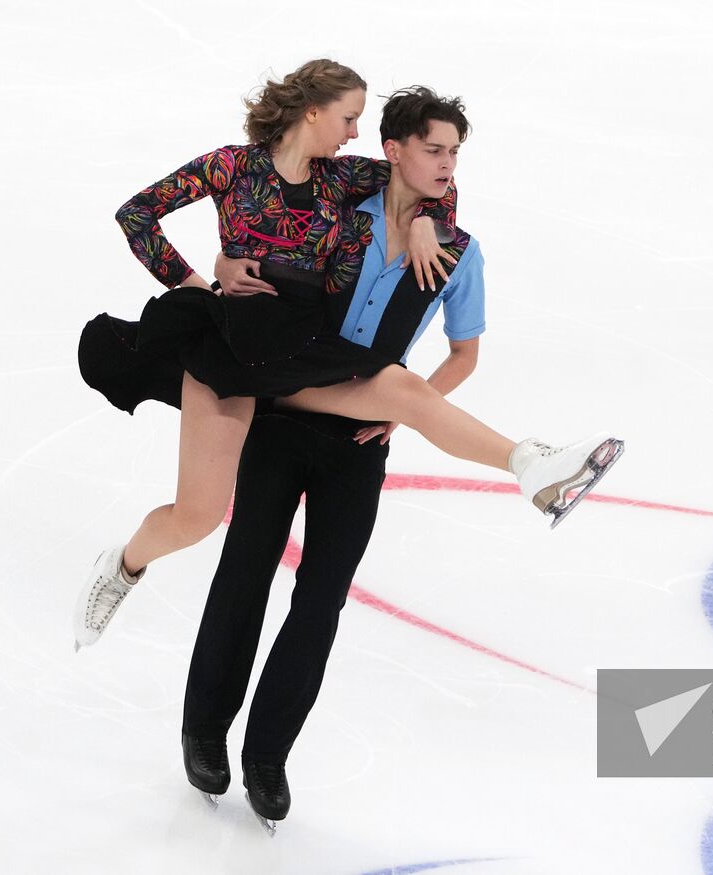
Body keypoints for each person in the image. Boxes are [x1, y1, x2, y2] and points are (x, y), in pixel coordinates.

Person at [74, 60, 623, 653]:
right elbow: (137, 214)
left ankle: (533, 467)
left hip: (299, 346)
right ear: (314, 112)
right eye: (349, 117)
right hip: (226, 350)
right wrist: (197, 283)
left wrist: (428, 226)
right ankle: (124, 565)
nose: (355, 132)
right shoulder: (233, 166)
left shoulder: (339, 179)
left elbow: (426, 176)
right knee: (197, 517)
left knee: (402, 389)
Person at [181, 86, 488, 833]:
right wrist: (225, 260)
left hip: (357, 445)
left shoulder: (459, 247)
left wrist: (400, 415)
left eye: (455, 154)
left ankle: (267, 755)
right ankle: (203, 729)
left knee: (321, 600)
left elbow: (464, 353)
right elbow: (260, 236)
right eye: (434, 149)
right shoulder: (328, 213)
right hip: (284, 419)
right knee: (245, 570)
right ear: (394, 150)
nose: (447, 164)